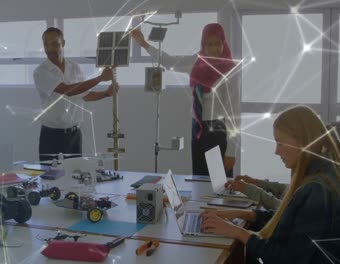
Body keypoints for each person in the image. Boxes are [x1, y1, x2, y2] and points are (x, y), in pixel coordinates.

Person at [201, 105, 340, 263]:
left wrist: (238, 232)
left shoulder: (317, 190)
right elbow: (289, 221)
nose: (276, 151)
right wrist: (242, 214)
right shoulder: (321, 174)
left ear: (303, 143)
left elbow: (288, 258)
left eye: (280, 144)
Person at [131, 23, 240, 177]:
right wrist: (144, 44)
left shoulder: (229, 70)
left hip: (218, 131)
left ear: (223, 43)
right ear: (203, 44)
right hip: (197, 128)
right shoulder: (196, 62)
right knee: (199, 178)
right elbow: (169, 61)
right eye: (209, 44)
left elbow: (233, 113)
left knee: (219, 183)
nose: (213, 48)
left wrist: (231, 152)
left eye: (217, 44)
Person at [34, 27, 119, 162]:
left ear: (63, 43)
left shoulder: (75, 68)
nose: (49, 48)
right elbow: (68, 90)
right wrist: (99, 78)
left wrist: (106, 94)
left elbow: (84, 95)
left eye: (55, 43)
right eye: (46, 44)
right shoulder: (41, 72)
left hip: (74, 134)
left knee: (76, 177)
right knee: (50, 178)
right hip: (51, 135)